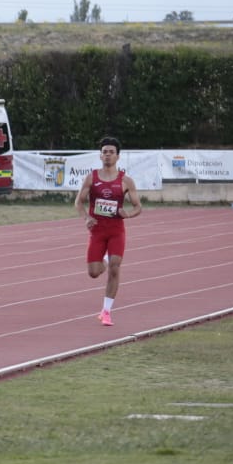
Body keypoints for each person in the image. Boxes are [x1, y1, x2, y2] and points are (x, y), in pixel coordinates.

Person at [73, 136, 142, 327]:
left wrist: (127, 214)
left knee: (115, 267)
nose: (108, 155)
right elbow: (78, 202)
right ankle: (104, 260)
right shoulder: (91, 177)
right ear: (100, 155)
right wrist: (87, 217)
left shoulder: (126, 181)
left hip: (116, 230)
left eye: (111, 152)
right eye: (105, 152)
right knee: (94, 273)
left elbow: (138, 207)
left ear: (118, 156)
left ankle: (106, 311)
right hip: (97, 231)